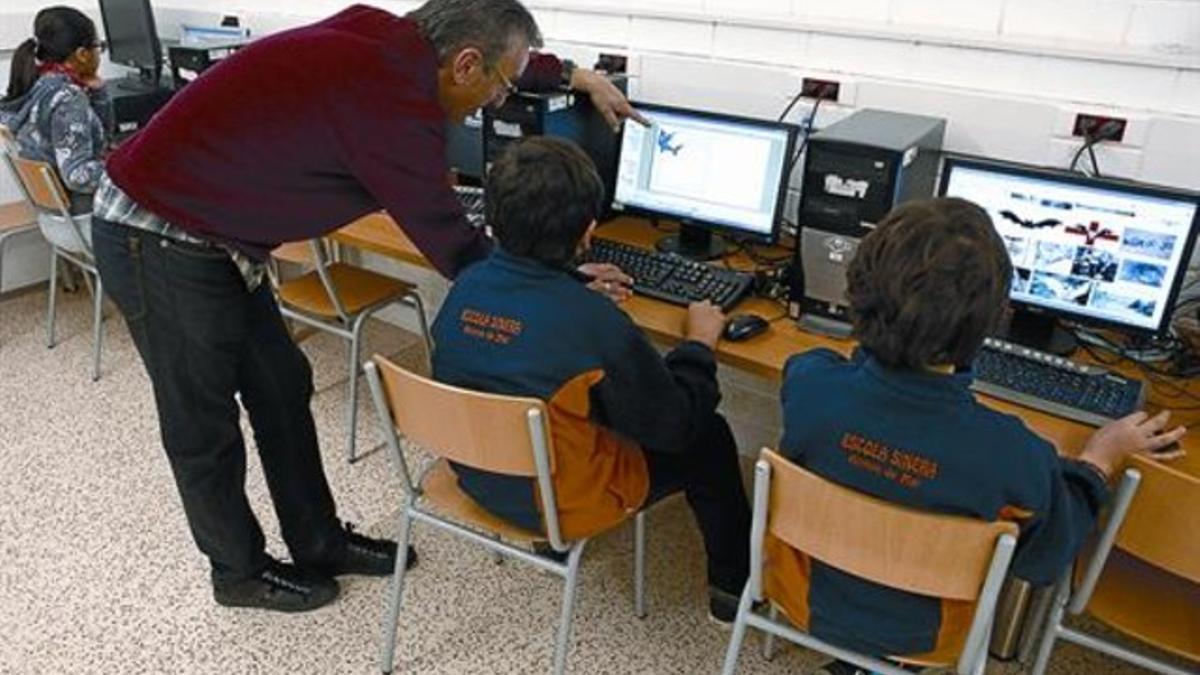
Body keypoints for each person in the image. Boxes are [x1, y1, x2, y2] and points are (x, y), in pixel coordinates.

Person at [91, 0, 642, 613]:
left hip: (217, 232)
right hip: (156, 230)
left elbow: (492, 48)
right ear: (464, 66)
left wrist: (577, 75)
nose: (498, 100)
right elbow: (458, 251)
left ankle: (318, 541)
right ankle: (237, 572)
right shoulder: (392, 107)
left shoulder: (389, 34)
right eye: (502, 84)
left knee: (280, 386)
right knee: (202, 425)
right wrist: (563, 281)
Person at [774, 198, 1186, 674]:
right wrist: (1099, 458)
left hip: (804, 597)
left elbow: (833, 369)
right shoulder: (1012, 453)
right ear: (994, 320)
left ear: (856, 294)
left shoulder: (809, 384)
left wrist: (881, 350)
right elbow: (1045, 560)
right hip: (926, 636)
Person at [430, 136, 753, 621]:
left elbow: (521, 336)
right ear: (588, 230)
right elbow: (675, 424)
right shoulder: (594, 325)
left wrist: (569, 279)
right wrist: (698, 344)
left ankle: (553, 548)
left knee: (579, 395)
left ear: (493, 220)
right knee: (708, 437)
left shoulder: (464, 286)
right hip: (558, 503)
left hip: (476, 476)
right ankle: (734, 589)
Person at [0, 5, 112, 214]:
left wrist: (98, 93)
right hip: (84, 215)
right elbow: (78, 177)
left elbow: (101, 140)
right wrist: (128, 168)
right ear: (82, 54)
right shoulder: (67, 99)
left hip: (53, 215)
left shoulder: (37, 82)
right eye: (99, 46)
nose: (100, 52)